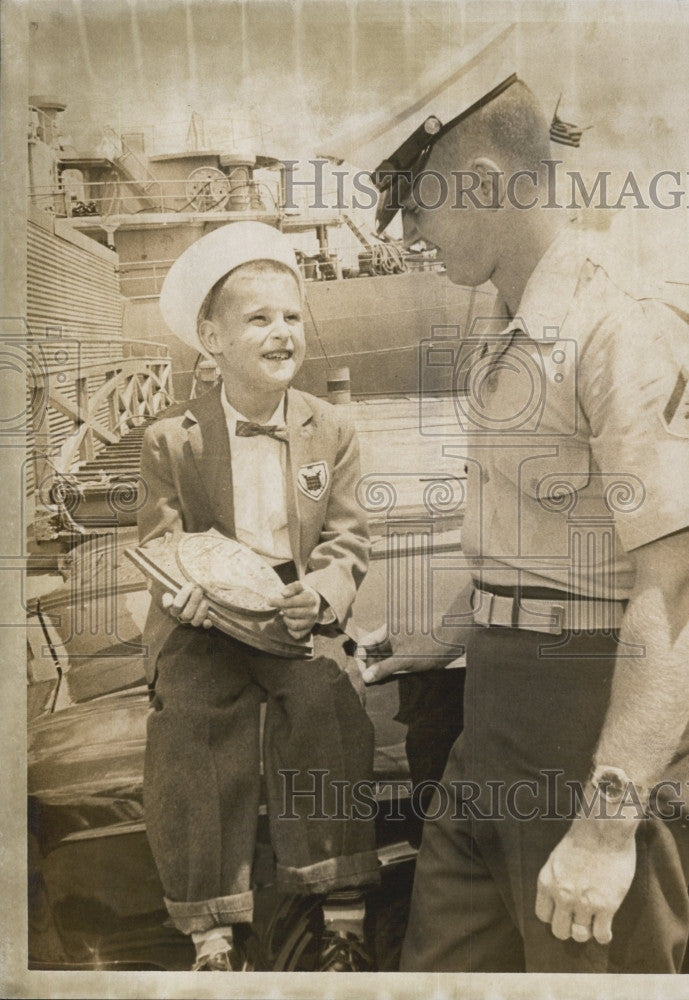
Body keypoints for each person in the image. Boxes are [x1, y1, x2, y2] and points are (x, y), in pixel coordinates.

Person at [360, 75, 689, 972]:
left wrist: (608, 825)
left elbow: (683, 581)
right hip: (493, 720)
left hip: (598, 723)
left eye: (415, 205)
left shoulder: (628, 328)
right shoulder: (508, 333)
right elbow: (541, 547)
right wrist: (447, 633)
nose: (407, 233)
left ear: (487, 182)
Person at [139, 221, 378, 971]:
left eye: (291, 316)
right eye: (258, 319)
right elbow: (161, 541)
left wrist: (322, 592)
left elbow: (348, 543)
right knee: (192, 727)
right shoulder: (171, 440)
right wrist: (180, 594)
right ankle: (212, 932)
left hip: (290, 614)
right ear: (211, 338)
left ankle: (342, 911)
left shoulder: (332, 428)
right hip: (205, 622)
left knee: (328, 711)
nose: (282, 333)